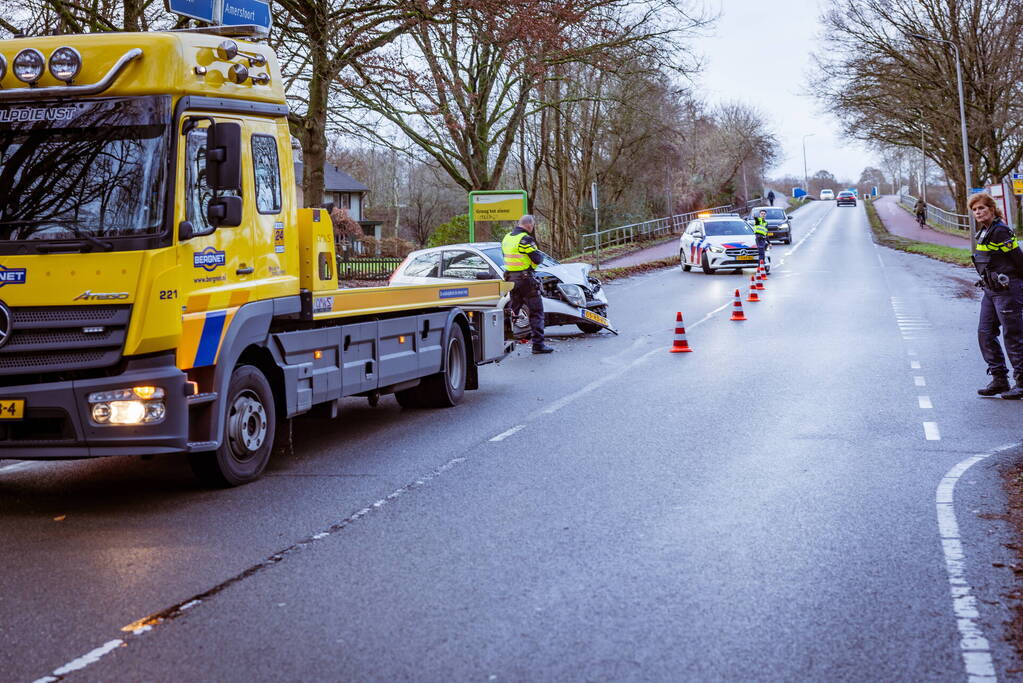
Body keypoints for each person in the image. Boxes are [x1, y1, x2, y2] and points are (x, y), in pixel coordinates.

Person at [970, 193, 1023, 398]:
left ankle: (1022, 381)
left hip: (1007, 289)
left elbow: (1018, 259)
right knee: (985, 332)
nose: (978, 212)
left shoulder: (1000, 231)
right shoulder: (984, 231)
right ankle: (1000, 379)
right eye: (975, 210)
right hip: (990, 291)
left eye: (982, 208)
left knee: (1013, 335)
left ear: (992, 209)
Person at [502, 215, 553, 354]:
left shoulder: (507, 237)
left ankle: (502, 341)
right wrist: (537, 260)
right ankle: (538, 345)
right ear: (529, 225)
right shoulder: (525, 239)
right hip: (526, 280)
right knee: (536, 312)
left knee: (512, 311)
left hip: (511, 279)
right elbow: (537, 258)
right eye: (533, 225)